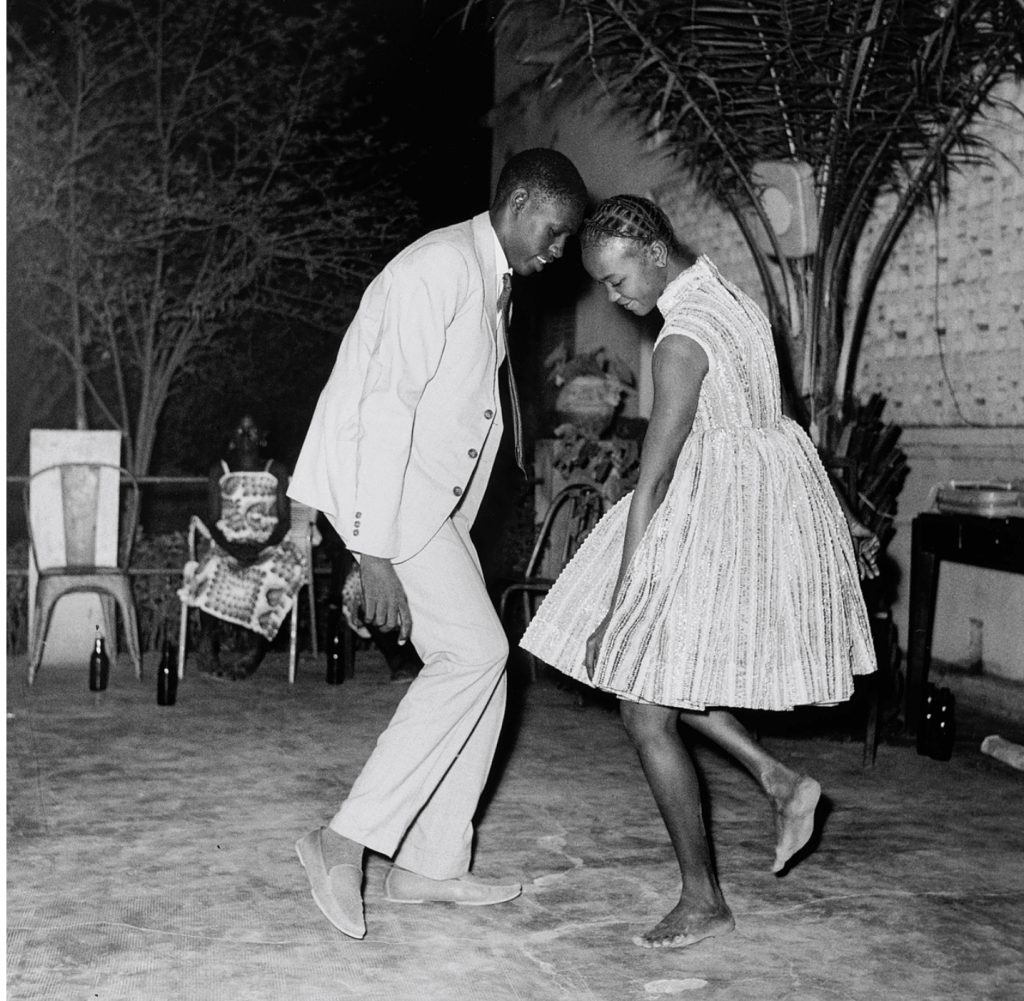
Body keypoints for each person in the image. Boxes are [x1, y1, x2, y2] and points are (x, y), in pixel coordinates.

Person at [521, 195, 879, 951]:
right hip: (762, 505)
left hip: (709, 519)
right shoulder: (735, 298)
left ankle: (703, 897)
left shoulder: (680, 340)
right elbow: (783, 421)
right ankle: (778, 780)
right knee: (664, 683)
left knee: (643, 706)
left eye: (617, 281)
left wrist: (619, 606)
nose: (616, 298)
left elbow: (651, 481)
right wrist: (839, 516)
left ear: (653, 252)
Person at [287, 148, 588, 940]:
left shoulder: (485, 277)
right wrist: (371, 551)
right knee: (479, 657)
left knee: (486, 667)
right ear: (520, 202)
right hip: (396, 505)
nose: (557, 253)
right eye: (554, 234)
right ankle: (341, 839)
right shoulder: (440, 268)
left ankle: (430, 866)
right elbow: (381, 408)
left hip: (432, 508)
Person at [179, 414, 309, 680]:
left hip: (270, 543)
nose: (246, 435)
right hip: (229, 543)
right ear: (231, 439)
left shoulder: (276, 470)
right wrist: (231, 547)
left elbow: (284, 520)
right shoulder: (220, 471)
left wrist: (263, 547)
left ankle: (255, 651)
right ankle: (206, 644)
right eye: (240, 430)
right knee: (212, 566)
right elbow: (214, 520)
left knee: (274, 573)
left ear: (262, 438)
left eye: (252, 430)